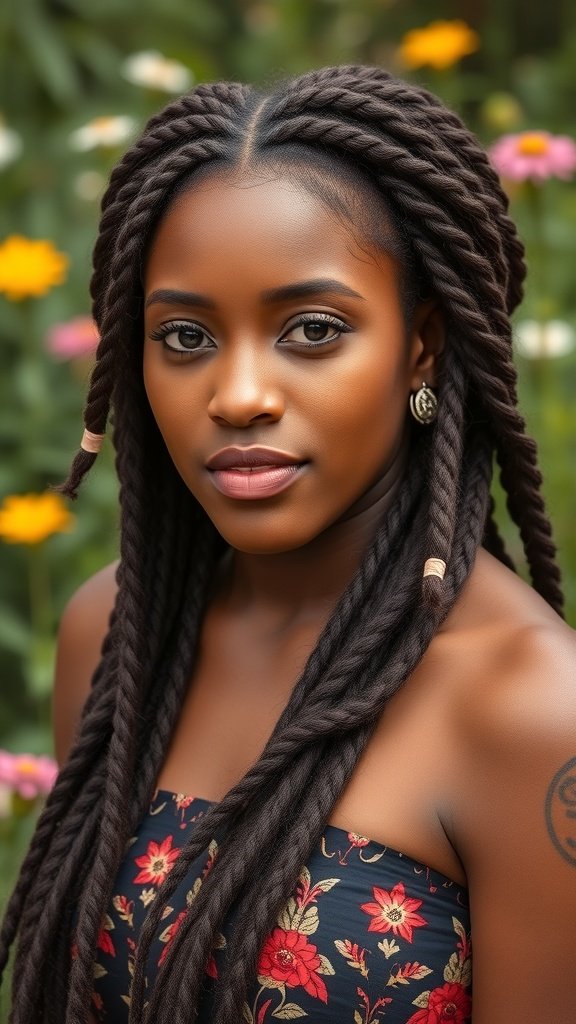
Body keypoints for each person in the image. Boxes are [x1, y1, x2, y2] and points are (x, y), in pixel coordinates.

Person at [1, 64, 575, 1024]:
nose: (237, 395)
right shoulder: (111, 636)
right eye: (183, 336)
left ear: (422, 344)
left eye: (312, 330)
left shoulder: (532, 711)